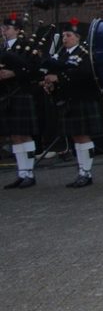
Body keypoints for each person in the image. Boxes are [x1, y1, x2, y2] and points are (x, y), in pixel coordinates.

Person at [41, 18, 103, 188]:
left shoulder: (84, 52)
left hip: (82, 98)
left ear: (77, 37)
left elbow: (84, 73)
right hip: (68, 100)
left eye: (68, 35)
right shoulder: (61, 55)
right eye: (63, 36)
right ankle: (81, 171)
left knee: (83, 136)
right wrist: (51, 84)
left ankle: (86, 173)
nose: (65, 39)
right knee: (76, 136)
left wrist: (58, 78)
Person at [1, 12, 41, 189]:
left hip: (21, 92)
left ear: (17, 30)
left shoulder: (26, 46)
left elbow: (35, 69)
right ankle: (22, 173)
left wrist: (14, 73)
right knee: (14, 135)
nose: (4, 30)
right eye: (3, 28)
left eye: (8, 28)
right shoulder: (2, 49)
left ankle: (30, 174)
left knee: (24, 133)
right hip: (6, 95)